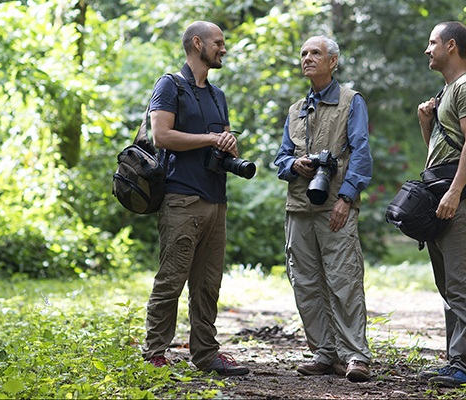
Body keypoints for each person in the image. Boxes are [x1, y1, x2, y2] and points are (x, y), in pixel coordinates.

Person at [141, 21, 249, 377]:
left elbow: (224, 137)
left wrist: (228, 142)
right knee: (172, 279)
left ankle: (206, 354)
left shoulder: (218, 95)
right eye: (219, 43)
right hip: (181, 198)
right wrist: (208, 139)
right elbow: (161, 135)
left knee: (207, 285)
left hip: (216, 200)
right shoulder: (170, 85)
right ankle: (155, 351)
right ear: (197, 43)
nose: (224, 48)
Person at [273, 36, 374, 383]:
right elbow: (280, 158)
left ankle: (355, 355)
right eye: (303, 53)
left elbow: (361, 154)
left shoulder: (351, 101)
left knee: (343, 279)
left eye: (315, 53)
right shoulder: (295, 109)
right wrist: (294, 165)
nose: (307, 58)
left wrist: (346, 198)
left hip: (335, 206)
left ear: (333, 61)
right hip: (298, 207)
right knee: (305, 282)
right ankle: (324, 353)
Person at [416, 22, 466, 387]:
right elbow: (441, 151)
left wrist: (456, 192)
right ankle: (453, 362)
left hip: (456, 200)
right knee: (447, 286)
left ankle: (465, 365)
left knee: (460, 283)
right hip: (438, 195)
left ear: (451, 45)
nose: (427, 50)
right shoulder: (445, 91)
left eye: (432, 43)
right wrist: (425, 124)